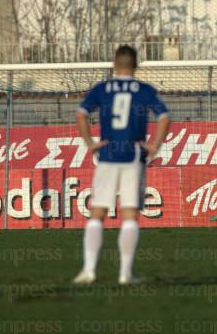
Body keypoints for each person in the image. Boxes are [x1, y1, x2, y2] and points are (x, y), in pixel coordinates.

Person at [73, 45, 171, 285]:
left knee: (97, 213)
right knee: (130, 215)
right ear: (136, 66)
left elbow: (81, 113)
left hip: (107, 155)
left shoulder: (102, 88)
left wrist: (90, 143)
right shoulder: (144, 90)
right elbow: (164, 116)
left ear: (114, 65)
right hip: (133, 155)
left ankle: (88, 271)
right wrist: (155, 145)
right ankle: (125, 274)